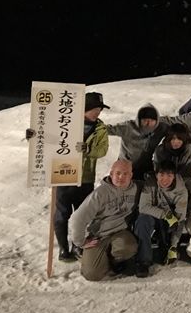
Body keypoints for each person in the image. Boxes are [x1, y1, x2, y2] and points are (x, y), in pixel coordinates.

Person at [57, 92, 110, 262]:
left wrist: (88, 150)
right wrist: (33, 135)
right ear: (85, 109)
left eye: (100, 109)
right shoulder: (66, 123)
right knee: (61, 215)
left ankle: (77, 245)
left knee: (83, 214)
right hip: (63, 174)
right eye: (95, 109)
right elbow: (47, 139)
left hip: (86, 178)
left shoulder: (101, 128)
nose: (98, 113)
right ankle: (63, 249)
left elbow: (102, 150)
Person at [69, 160, 139, 281]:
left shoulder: (137, 188)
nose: (121, 177)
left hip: (120, 233)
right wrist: (80, 241)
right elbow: (77, 219)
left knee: (129, 246)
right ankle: (84, 253)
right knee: (92, 274)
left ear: (131, 175)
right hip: (99, 236)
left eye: (125, 174)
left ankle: (114, 260)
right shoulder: (100, 194)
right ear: (111, 174)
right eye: (118, 173)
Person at [134, 160, 188, 277]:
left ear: (174, 176)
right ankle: (143, 261)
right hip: (154, 216)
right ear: (156, 174)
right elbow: (143, 207)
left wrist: (174, 245)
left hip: (170, 222)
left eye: (169, 175)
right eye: (161, 175)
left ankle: (167, 247)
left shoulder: (181, 190)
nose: (165, 179)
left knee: (165, 250)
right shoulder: (150, 183)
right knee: (142, 221)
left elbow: (180, 218)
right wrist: (165, 215)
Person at [107, 103, 168, 179]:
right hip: (125, 165)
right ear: (139, 120)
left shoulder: (161, 129)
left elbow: (176, 129)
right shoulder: (128, 127)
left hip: (145, 165)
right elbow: (108, 129)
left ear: (156, 121)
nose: (148, 123)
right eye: (145, 120)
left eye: (152, 121)